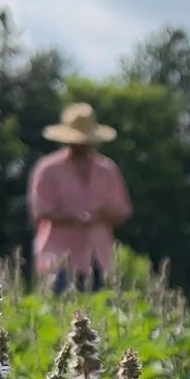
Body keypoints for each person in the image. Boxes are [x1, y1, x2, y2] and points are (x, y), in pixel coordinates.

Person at [28, 103, 132, 294]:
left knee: (96, 315)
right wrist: (72, 216)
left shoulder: (107, 169)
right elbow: (40, 209)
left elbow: (123, 210)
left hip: (98, 257)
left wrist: (102, 211)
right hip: (58, 259)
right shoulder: (48, 169)